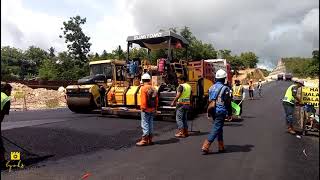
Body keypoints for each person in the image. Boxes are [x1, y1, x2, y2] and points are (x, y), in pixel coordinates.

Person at [201, 69, 232, 154]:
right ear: (224, 79)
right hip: (220, 111)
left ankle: (221, 146)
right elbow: (227, 102)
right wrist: (230, 113)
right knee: (217, 128)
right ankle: (206, 145)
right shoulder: (225, 88)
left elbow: (209, 100)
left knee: (219, 128)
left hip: (213, 110)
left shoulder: (211, 87)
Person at [136, 73, 158, 146]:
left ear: (142, 80)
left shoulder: (143, 88)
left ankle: (144, 140)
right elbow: (156, 99)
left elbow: (143, 100)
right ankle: (150, 140)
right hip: (152, 109)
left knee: (145, 124)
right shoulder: (153, 88)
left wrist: (143, 108)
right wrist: (155, 108)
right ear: (149, 80)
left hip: (146, 109)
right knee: (150, 124)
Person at [1, 83, 12, 165]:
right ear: (6, 90)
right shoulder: (6, 99)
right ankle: (2, 160)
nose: (10, 93)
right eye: (10, 91)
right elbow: (1, 115)